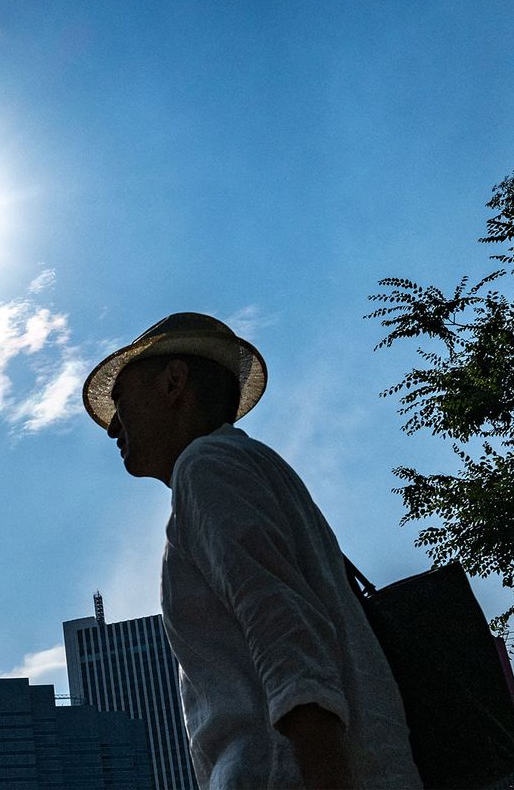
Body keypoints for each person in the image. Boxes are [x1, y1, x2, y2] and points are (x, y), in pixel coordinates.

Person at [82, 312, 422, 790]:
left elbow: (283, 631)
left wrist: (324, 773)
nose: (114, 427)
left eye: (121, 401)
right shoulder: (251, 466)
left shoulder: (205, 468)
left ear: (174, 382)